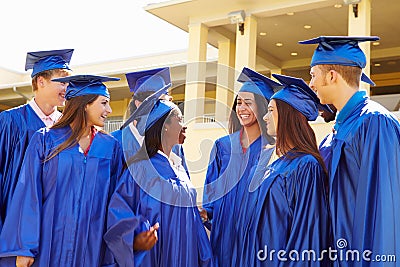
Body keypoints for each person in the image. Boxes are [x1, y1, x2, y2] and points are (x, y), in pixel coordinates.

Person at [0, 75, 123, 266]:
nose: (109, 110)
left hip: (89, 248)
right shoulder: (45, 140)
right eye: (104, 103)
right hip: (49, 245)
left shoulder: (110, 147)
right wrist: (25, 248)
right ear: (85, 105)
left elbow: (116, 200)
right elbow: (28, 194)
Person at [300, 36, 400, 265]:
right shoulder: (335, 133)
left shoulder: (374, 123)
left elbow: (386, 211)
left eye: (313, 75)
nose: (311, 84)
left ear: (332, 76)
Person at [104, 91, 212, 267]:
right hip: (155, 257)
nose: (185, 126)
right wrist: (135, 239)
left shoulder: (179, 168)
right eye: (180, 119)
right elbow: (119, 212)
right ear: (165, 126)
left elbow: (195, 227)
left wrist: (206, 259)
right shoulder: (141, 170)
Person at [237, 74, 331, 266]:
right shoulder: (274, 162)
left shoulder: (306, 165)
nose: (264, 117)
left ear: (288, 115)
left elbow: (306, 235)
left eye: (270, 110)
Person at [201, 67, 277, 266]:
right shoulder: (222, 146)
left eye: (248, 103)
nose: (241, 108)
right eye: (239, 102)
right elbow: (211, 192)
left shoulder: (271, 150)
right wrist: (206, 212)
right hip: (223, 234)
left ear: (262, 107)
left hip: (254, 236)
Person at [0, 49, 73, 232]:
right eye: (62, 82)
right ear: (41, 82)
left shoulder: (66, 128)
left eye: (68, 83)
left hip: (53, 223)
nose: (67, 88)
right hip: (14, 221)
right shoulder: (11, 121)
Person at [113, 67, 188, 173]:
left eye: (166, 103)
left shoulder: (173, 143)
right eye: (158, 102)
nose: (164, 109)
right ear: (139, 104)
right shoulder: (115, 142)